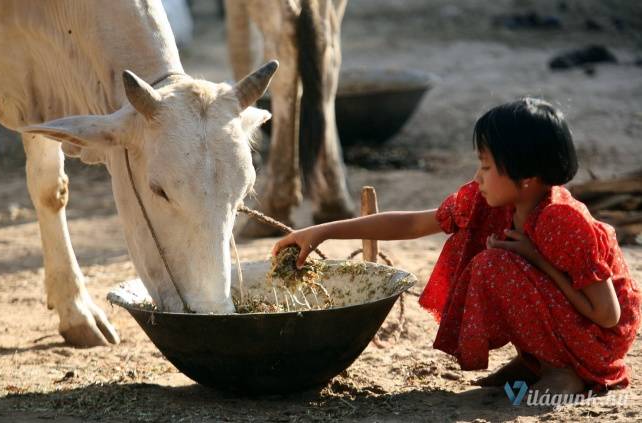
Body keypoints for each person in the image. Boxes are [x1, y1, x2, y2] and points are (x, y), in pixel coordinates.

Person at [271, 97, 641, 394]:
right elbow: (415, 223)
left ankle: (566, 371)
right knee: (491, 261)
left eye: (486, 166)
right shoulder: (490, 201)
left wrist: (536, 259)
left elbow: (606, 315)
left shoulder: (562, 220)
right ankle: (535, 360)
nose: (477, 176)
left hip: (597, 339)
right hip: (568, 320)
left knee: (495, 265)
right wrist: (323, 231)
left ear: (526, 177)